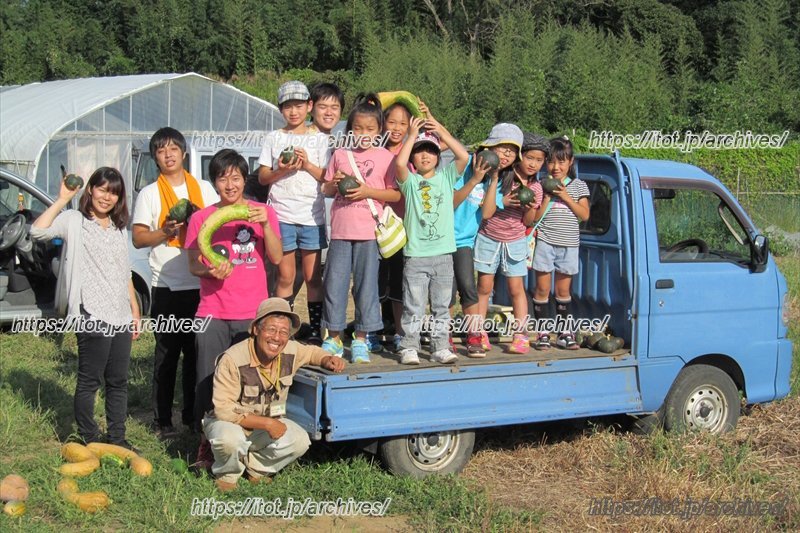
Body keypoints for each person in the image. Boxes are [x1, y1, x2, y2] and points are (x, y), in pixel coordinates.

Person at [31, 167, 141, 448]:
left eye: (114, 192)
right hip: (90, 312)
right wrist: (61, 198)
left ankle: (117, 438)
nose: (107, 197)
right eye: (103, 189)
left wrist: (134, 310)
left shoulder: (118, 229)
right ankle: (89, 436)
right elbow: (37, 231)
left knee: (117, 381)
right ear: (90, 189)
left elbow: (124, 272)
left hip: (119, 315)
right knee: (90, 380)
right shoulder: (74, 220)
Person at [203, 298, 345, 491]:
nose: (277, 338)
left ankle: (256, 469)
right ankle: (227, 475)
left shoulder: (290, 350)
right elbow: (224, 410)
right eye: (271, 330)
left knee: (300, 440)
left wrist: (327, 359)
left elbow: (311, 352)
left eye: (284, 332)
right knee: (228, 439)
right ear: (255, 330)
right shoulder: (232, 359)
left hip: (265, 426)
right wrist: (267, 423)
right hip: (231, 423)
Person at [132, 127, 219, 438]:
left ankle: (194, 418)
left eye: (173, 148)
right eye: (160, 150)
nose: (168, 154)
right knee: (166, 357)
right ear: (155, 157)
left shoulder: (206, 189)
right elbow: (139, 237)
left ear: (183, 153)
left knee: (197, 356)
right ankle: (162, 421)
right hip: (166, 286)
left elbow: (217, 225)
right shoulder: (149, 194)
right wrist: (166, 232)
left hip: (202, 287)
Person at [186, 149, 283, 426]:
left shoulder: (263, 213)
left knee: (248, 378)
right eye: (222, 178)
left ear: (244, 180)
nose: (230, 185)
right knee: (208, 376)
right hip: (212, 312)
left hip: (252, 312)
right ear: (214, 183)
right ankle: (206, 437)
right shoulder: (200, 219)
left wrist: (265, 224)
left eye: (236, 178)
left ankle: (247, 434)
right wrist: (210, 269)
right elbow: (193, 264)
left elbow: (275, 258)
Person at [320, 93, 402, 363]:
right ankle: (332, 337)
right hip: (341, 231)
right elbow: (326, 188)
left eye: (370, 129)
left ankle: (362, 340)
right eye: (357, 129)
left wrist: (367, 190)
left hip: (369, 233)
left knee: (367, 288)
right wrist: (335, 183)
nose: (363, 134)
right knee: (335, 284)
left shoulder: (386, 158)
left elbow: (395, 195)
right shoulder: (340, 154)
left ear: (379, 131)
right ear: (350, 129)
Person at [258, 81, 330, 344]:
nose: (294, 111)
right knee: (286, 276)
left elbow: (327, 177)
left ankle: (314, 329)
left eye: (299, 105)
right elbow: (264, 177)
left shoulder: (321, 140)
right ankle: (281, 327)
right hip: (282, 216)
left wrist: (307, 164)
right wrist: (283, 169)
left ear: (309, 106)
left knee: (313, 277)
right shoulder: (274, 138)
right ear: (280, 110)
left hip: (312, 216)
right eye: (288, 106)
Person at [395, 114, 470, 365]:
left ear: (439, 156)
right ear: (414, 158)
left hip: (443, 255)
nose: (425, 155)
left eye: (431, 151)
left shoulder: (447, 178)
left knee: (441, 305)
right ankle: (409, 347)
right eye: (419, 152)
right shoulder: (410, 182)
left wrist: (439, 128)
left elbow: (464, 156)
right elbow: (399, 164)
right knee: (413, 304)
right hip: (416, 255)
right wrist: (412, 136)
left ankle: (440, 346)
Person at [452, 123, 522, 357]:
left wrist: (492, 179)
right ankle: (444, 337)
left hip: (465, 241)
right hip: (443, 238)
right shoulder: (466, 165)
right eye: (503, 148)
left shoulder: (499, 179)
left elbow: (489, 212)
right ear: (490, 146)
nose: (507, 155)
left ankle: (474, 335)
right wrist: (477, 176)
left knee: (468, 289)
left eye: (512, 152)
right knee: (446, 293)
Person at [475, 133, 548, 354]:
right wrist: (503, 201)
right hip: (488, 237)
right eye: (529, 158)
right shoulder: (502, 176)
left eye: (539, 160)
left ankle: (521, 335)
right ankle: (478, 333)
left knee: (517, 289)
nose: (533, 164)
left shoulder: (536, 188)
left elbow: (528, 222)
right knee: (484, 288)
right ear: (520, 156)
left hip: (516, 241)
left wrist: (530, 209)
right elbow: (485, 208)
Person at [530, 136, 590, 350]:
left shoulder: (578, 186)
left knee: (563, 292)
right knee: (542, 289)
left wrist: (565, 196)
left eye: (561, 162)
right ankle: (543, 333)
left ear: (570, 162)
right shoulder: (539, 185)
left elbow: (584, 214)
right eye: (552, 162)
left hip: (569, 245)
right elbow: (535, 218)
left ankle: (565, 334)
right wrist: (546, 197)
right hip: (545, 243)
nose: (556, 167)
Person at [376, 100, 413, 353]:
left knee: (399, 280)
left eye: (403, 123)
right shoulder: (373, 152)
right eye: (392, 122)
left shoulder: (414, 152)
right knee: (375, 281)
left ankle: (400, 331)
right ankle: (374, 328)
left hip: (402, 228)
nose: (397, 128)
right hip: (374, 225)